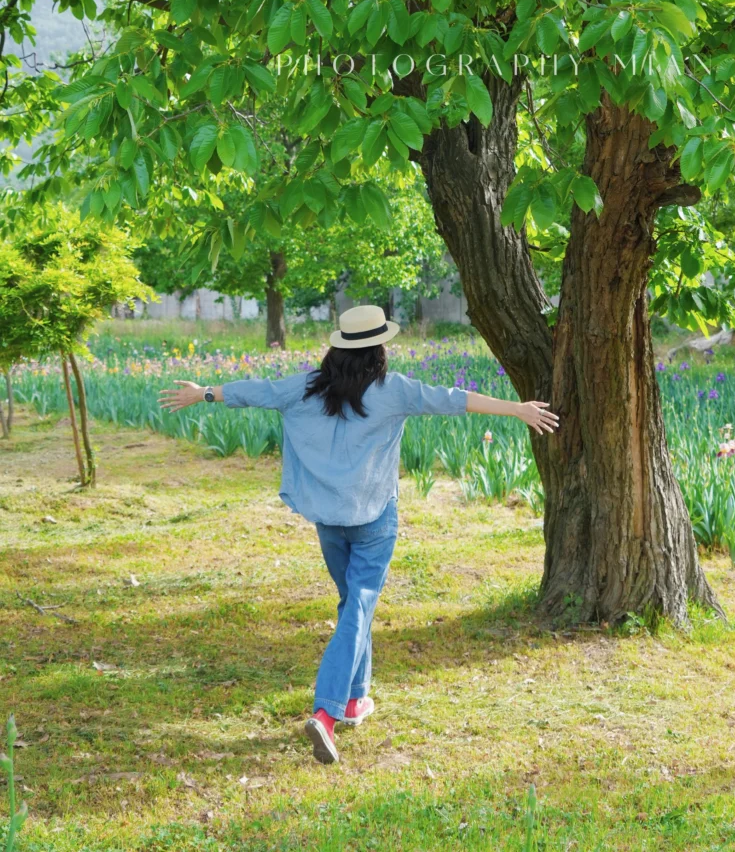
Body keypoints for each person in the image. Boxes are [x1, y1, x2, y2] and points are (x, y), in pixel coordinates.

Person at [159, 305, 558, 765]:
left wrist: (203, 393)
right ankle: (326, 713)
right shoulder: (394, 391)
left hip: (328, 518)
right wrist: (518, 410)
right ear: (379, 347)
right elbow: (455, 398)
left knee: (354, 604)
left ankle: (354, 700)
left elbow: (257, 392)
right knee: (358, 607)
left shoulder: (309, 386)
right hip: (372, 519)